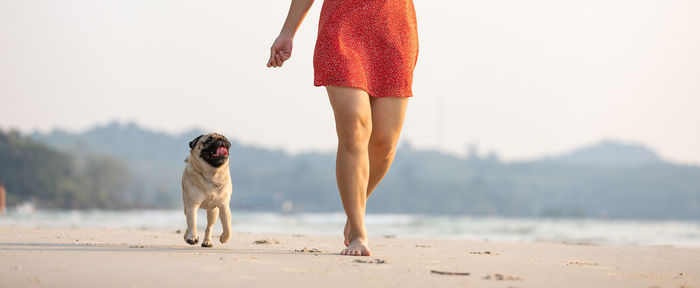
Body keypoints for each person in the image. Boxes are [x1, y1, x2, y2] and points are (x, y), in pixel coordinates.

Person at [267, 0, 418, 256]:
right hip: (342, 26)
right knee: (355, 127)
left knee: (384, 142)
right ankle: (358, 232)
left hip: (394, 27)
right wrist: (288, 32)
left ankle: (356, 207)